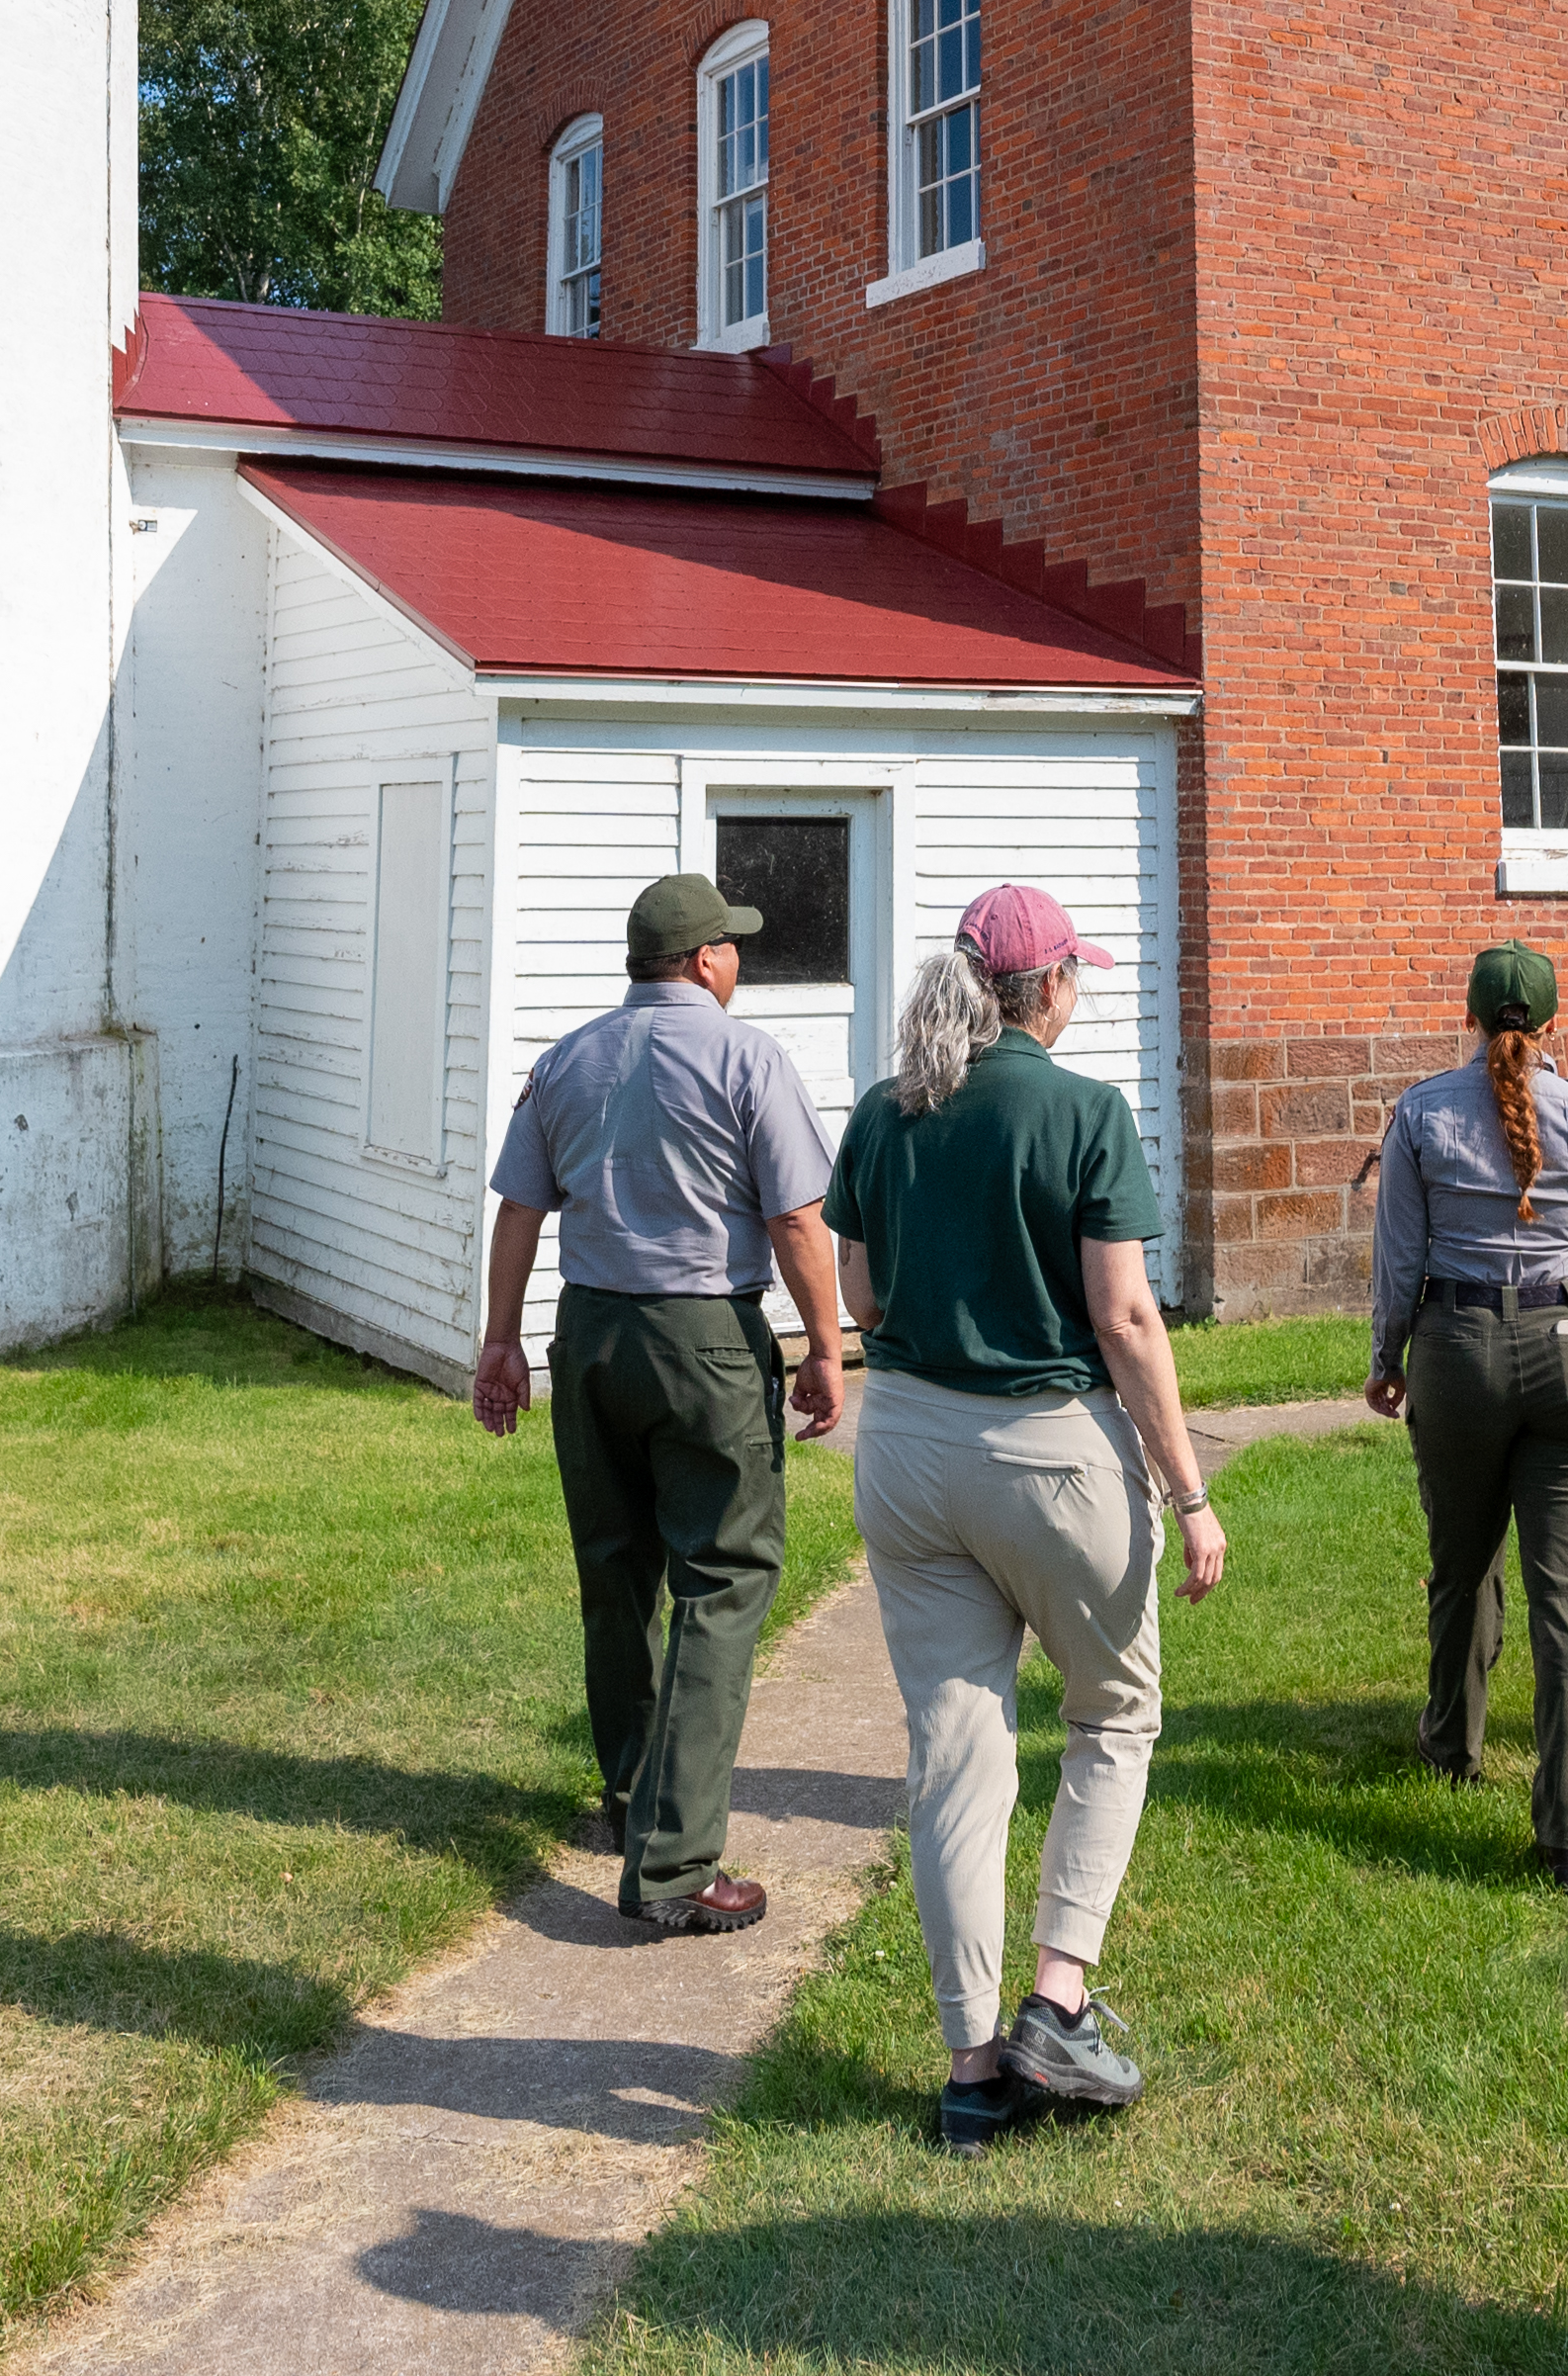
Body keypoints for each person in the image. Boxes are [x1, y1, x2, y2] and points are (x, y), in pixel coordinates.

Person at [829, 884, 1226, 2156]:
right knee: (1112, 1712)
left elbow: (861, 1291)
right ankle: (1058, 2002)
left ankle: (969, 2069)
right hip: (1049, 1454)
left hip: (903, 1448)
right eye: (1077, 977)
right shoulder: (1084, 1112)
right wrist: (1189, 1489)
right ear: (1045, 987)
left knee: (954, 1757)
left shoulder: (886, 1114)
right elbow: (1123, 1321)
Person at [471, 867, 847, 1937]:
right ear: (701, 961)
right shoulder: (745, 1058)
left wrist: (501, 1342)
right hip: (703, 1342)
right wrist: (826, 1345)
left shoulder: (566, 1060)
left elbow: (518, 1211)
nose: (740, 958)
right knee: (725, 1577)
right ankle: (675, 1865)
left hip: (590, 1335)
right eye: (731, 944)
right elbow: (796, 1222)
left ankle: (634, 1797)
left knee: (617, 1569)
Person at [1363, 940, 1568, 1891]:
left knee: (1461, 1563)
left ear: (1471, 1015)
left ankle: (1450, 1745)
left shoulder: (1420, 1113)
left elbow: (1400, 1261)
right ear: (1556, 1023)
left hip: (1458, 1346)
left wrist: (1386, 1357)